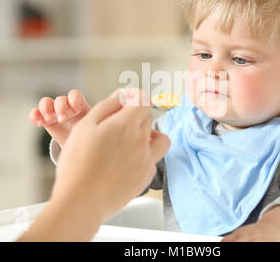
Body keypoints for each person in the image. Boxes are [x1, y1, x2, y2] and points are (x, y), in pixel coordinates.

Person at [30, 0, 280, 242]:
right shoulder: (180, 124)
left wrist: (278, 230)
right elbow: (126, 177)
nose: (213, 72)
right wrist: (81, 144)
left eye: (240, 59)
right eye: (202, 54)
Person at [18, 88, 170, 241]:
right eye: (193, 63)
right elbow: (126, 175)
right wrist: (85, 156)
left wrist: (86, 175)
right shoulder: (172, 127)